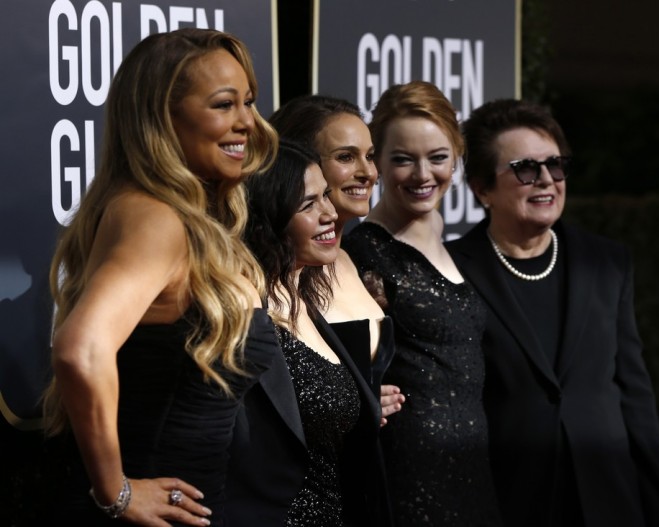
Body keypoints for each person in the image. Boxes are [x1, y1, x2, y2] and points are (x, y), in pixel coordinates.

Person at [40, 28, 279, 526]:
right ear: (161, 119)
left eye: (248, 102)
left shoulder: (174, 215)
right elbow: (80, 349)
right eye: (223, 105)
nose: (246, 123)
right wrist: (117, 493)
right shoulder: (156, 219)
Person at [445, 98, 659, 527]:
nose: (546, 180)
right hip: (510, 503)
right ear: (482, 189)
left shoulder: (606, 263)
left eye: (555, 165)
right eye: (525, 169)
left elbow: (635, 396)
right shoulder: (451, 271)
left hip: (610, 501)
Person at [343, 80, 503, 526]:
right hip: (409, 473)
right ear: (376, 162)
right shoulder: (363, 253)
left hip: (472, 468)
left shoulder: (443, 236)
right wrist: (361, 394)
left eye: (437, 157)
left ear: (457, 156)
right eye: (402, 159)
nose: (422, 175)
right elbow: (337, 361)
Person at [234, 139, 391, 526]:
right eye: (308, 205)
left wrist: (364, 403)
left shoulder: (307, 300)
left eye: (325, 196)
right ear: (267, 217)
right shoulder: (242, 315)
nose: (330, 214)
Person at [268, 94, 403, 419]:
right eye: (346, 157)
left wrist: (365, 401)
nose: (368, 172)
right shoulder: (274, 278)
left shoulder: (347, 260)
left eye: (370, 156)